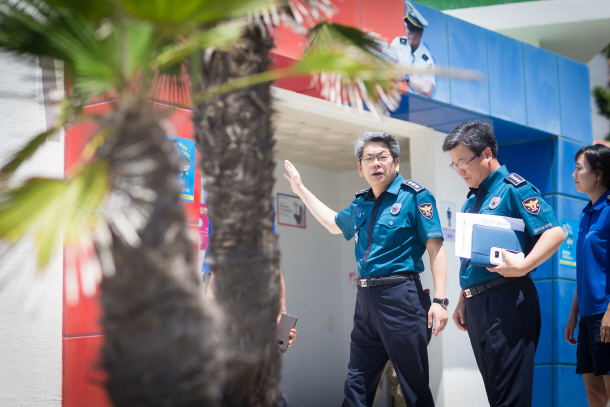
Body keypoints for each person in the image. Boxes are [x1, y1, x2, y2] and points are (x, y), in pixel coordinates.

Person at [284, 131, 449, 407]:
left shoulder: (415, 197)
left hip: (401, 296)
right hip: (365, 301)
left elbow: (436, 249)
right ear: (359, 168)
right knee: (357, 381)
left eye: (382, 157)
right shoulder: (361, 203)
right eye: (368, 159)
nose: (376, 163)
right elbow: (332, 224)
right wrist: (300, 188)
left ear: (396, 162)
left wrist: (440, 301)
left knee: (413, 385)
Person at [442, 120, 565, 407]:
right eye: (453, 164)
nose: (459, 170)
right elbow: (473, 258)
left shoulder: (514, 188)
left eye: (463, 161)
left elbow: (555, 232)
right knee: (497, 395)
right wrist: (464, 296)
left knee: (511, 397)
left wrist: (523, 265)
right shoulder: (470, 201)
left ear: (486, 153)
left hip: (508, 299)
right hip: (477, 305)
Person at [564, 144, 610, 407]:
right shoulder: (585, 214)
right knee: (594, 395)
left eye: (579, 168)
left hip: (606, 314)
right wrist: (573, 314)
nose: (574, 174)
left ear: (599, 174)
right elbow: (584, 269)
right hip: (588, 316)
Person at [388, 1, 435, 98]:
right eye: (407, 28)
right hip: (393, 95)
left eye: (412, 30)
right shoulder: (398, 43)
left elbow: (427, 90)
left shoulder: (426, 60)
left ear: (420, 34)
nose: (408, 32)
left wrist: (406, 77)